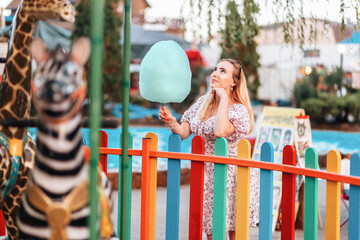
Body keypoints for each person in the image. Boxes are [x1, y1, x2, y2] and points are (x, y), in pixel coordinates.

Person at [158, 59, 259, 240]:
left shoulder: (239, 110)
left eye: (223, 71)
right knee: (211, 229)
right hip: (206, 174)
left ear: (234, 82)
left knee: (233, 230)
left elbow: (220, 131)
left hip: (231, 175)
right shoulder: (203, 103)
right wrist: (172, 121)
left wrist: (224, 99)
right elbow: (183, 132)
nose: (215, 74)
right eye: (215, 69)